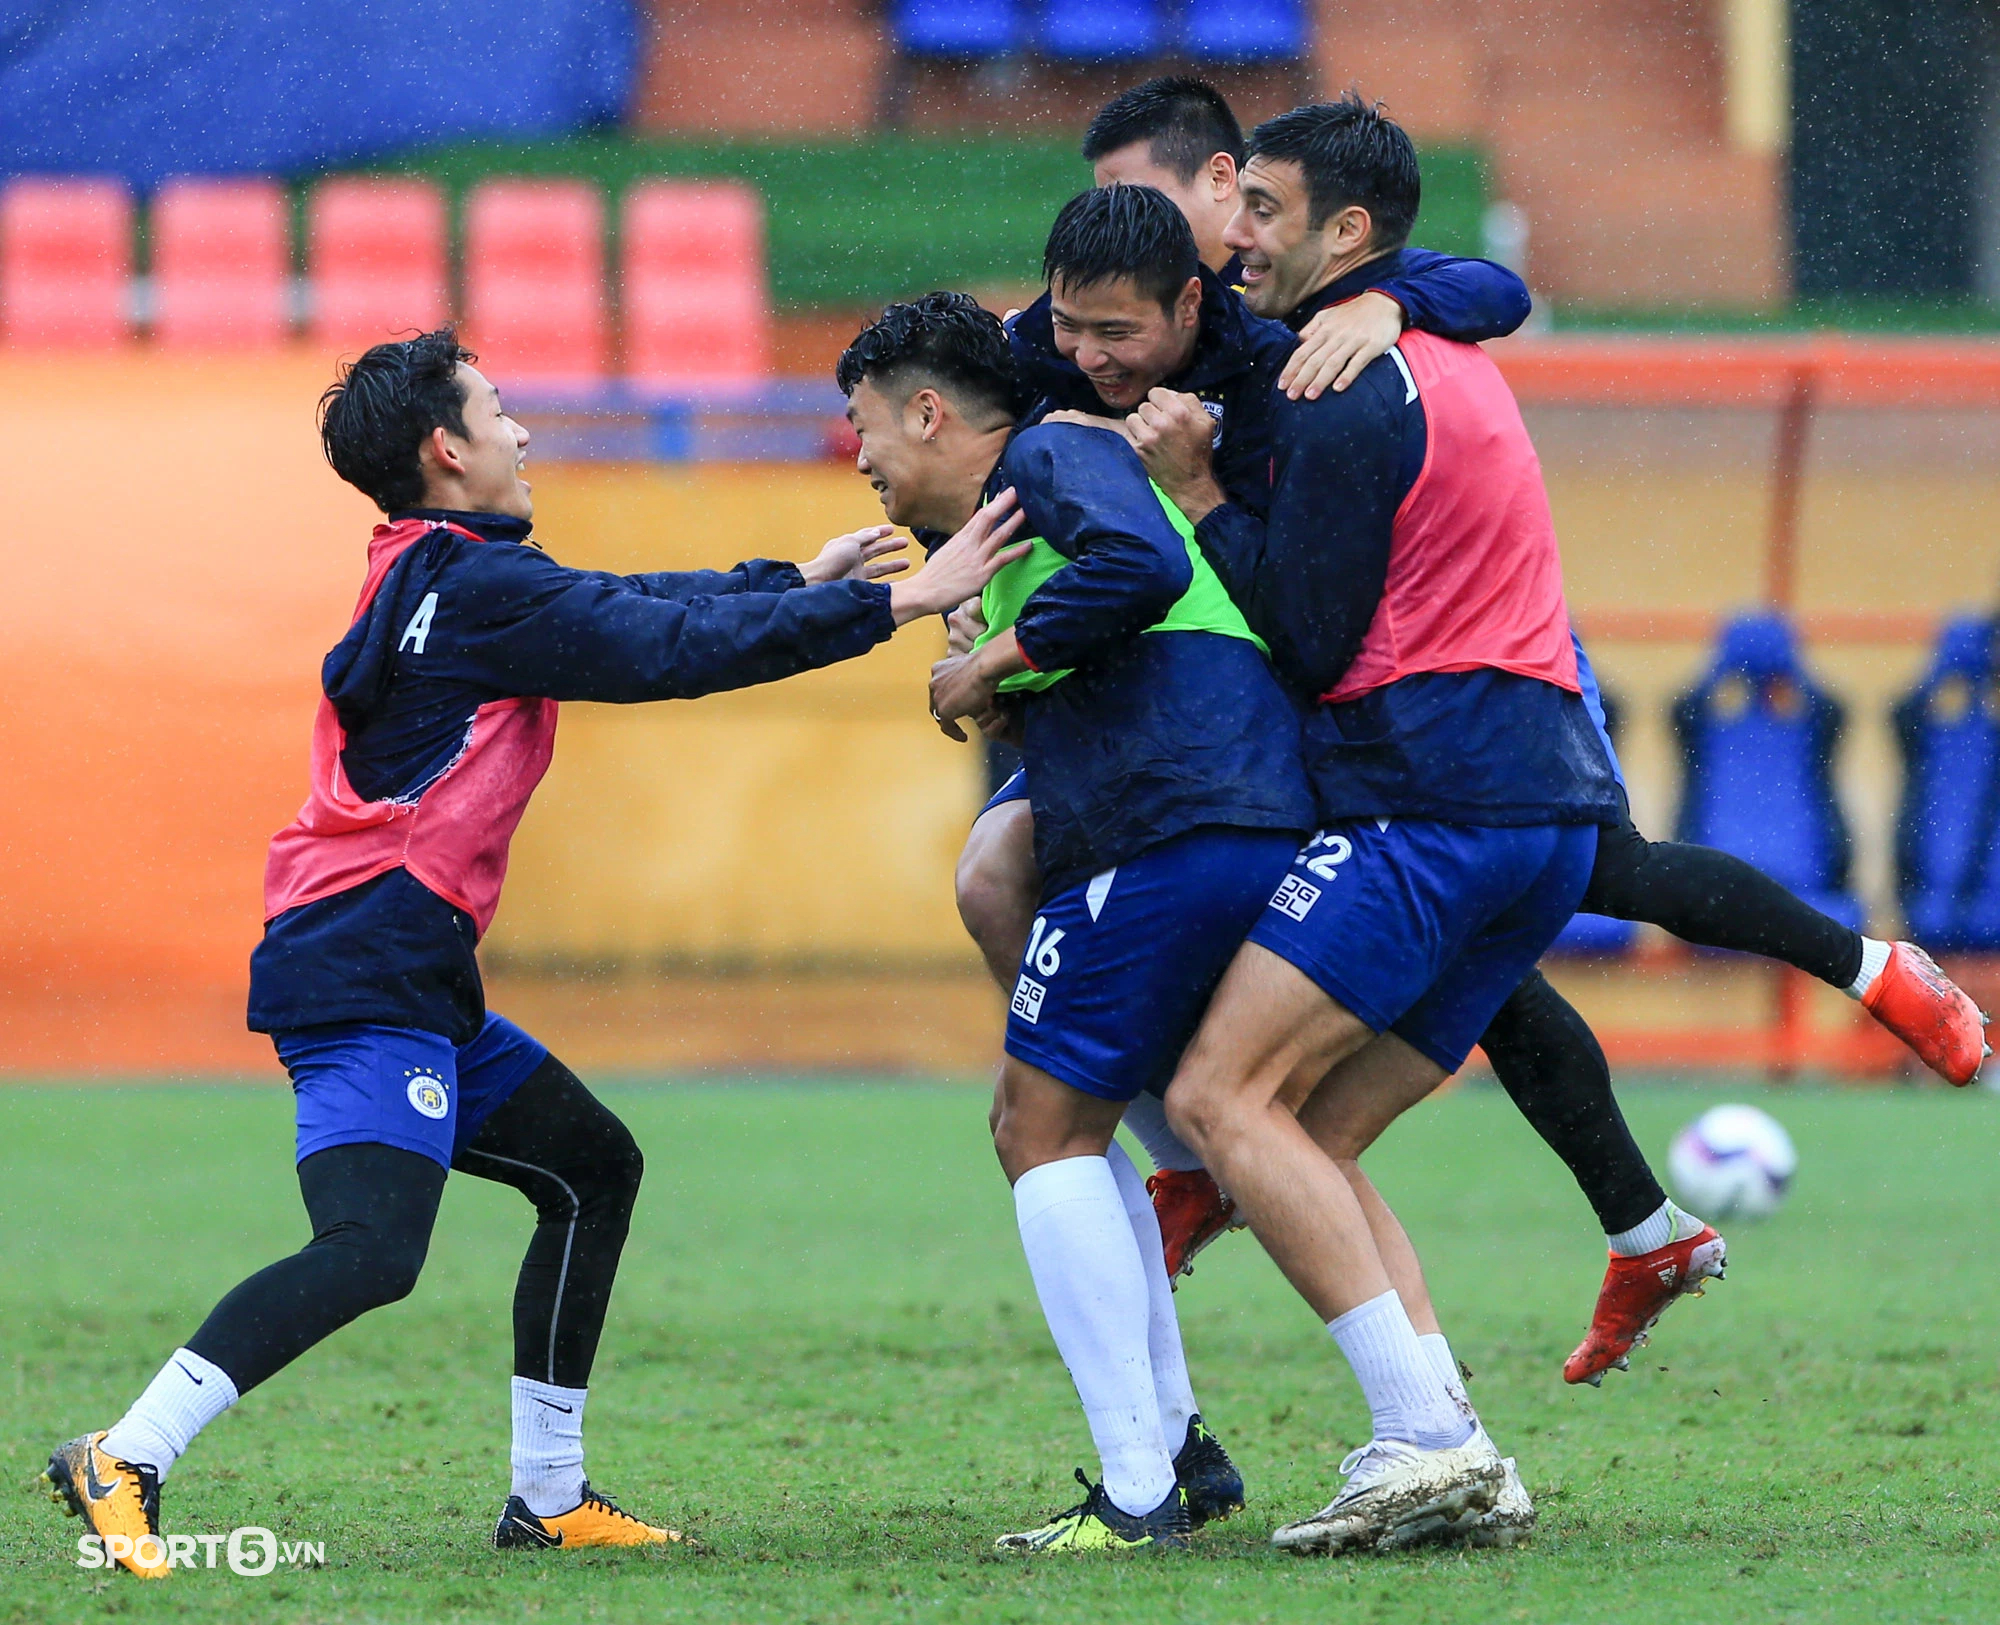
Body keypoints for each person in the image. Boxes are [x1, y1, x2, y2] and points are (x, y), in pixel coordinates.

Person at [43, 327, 1028, 1580]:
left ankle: (548, 1496)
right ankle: (126, 1452)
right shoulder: (472, 587)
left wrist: (791, 576)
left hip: (403, 969)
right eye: (499, 412)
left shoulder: (444, 569)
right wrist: (889, 602)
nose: (523, 431)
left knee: (589, 1169)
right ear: (447, 450)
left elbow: (626, 608)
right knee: (370, 1248)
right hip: (363, 963)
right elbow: (656, 649)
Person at [1122, 96, 1989, 1388]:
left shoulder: (1357, 342)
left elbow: (1499, 285)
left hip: (1475, 687)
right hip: (1425, 704)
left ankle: (1864, 974)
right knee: (1498, 928)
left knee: (1584, 874)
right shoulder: (1255, 321)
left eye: (1226, 199)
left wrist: (1391, 300)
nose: (1201, 229)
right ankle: (1639, 1227)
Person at [1151, 97, 1623, 1553]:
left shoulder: (1346, 383)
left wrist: (1193, 491)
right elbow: (1482, 286)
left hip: (1435, 796)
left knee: (1227, 1102)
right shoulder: (1433, 343)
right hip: (1545, 811)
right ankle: (1468, 1451)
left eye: (1267, 211)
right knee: (1313, 1130)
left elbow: (1303, 633)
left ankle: (1418, 1437)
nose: (1235, 234)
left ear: (1349, 234)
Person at [844, 276, 1314, 1552]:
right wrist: (989, 647)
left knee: (1035, 1127)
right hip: (1179, 821)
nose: (863, 460)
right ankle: (1172, 1453)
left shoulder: (1051, 450)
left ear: (928, 412)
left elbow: (1147, 562)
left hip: (1181, 821)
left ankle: (1142, 1488)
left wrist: (988, 659)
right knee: (1046, 1120)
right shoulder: (1013, 527)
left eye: (865, 429)